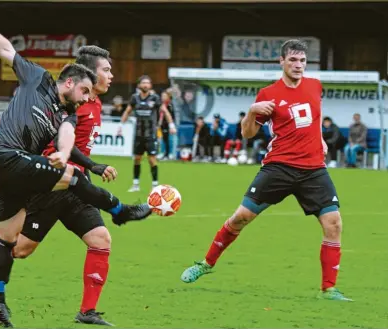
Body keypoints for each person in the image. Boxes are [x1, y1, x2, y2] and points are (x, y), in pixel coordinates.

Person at [0, 45, 148, 326]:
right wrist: (90, 165)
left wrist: (91, 167)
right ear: (89, 74)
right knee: (20, 249)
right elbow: (56, 142)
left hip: (78, 186)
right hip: (53, 184)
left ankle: (87, 311)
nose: (111, 75)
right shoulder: (69, 104)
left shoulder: (92, 103)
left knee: (100, 239)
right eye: (106, 70)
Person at [180, 39, 351, 302]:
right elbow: (248, 133)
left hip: (314, 169)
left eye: (302, 60)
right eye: (292, 60)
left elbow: (314, 119)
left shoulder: (315, 86)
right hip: (279, 167)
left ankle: (328, 289)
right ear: (281, 62)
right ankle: (206, 263)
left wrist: (322, 140)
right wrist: (251, 112)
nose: (298, 65)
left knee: (334, 223)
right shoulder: (267, 95)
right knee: (240, 218)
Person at [118, 76, 176, 192]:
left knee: (152, 160)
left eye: (148, 83)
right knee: (137, 159)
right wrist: (120, 126)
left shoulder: (155, 98)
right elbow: (127, 111)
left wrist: (171, 125)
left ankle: (155, 185)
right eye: (143, 83)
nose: (145, 85)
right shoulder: (135, 98)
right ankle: (135, 184)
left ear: (150, 86)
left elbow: (165, 111)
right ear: (139, 85)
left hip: (151, 135)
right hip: (139, 135)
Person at [158, 90, 176, 160]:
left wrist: (171, 125)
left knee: (170, 139)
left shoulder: (170, 105)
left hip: (169, 125)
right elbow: (160, 115)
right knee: (163, 139)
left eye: (164, 96)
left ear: (168, 97)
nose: (163, 97)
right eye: (162, 96)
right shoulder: (161, 104)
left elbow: (171, 115)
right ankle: (163, 153)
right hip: (162, 124)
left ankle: (170, 154)